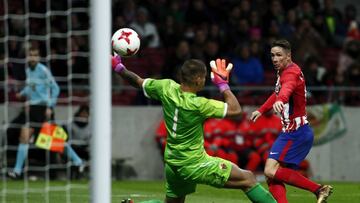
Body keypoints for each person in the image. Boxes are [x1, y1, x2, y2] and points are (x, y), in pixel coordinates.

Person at [113, 55, 276, 203]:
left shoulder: (166, 87)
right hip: (194, 163)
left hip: (172, 163)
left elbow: (138, 82)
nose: (205, 80)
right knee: (247, 179)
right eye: (204, 77)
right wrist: (223, 84)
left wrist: (120, 69)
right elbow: (236, 110)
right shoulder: (199, 105)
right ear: (198, 79)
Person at [250, 39, 333, 203]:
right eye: (272, 55)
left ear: (289, 56)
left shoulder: (291, 73)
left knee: (269, 170)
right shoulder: (283, 71)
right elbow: (277, 93)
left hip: (296, 133)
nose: (274, 59)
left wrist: (281, 100)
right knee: (272, 176)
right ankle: (317, 190)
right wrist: (261, 110)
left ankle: (318, 189)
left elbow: (286, 89)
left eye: (279, 55)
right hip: (293, 132)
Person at [7, 47, 83, 178]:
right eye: (30, 55)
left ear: (39, 57)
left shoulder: (43, 70)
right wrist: (22, 94)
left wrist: (50, 106)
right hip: (33, 109)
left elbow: (56, 88)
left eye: (35, 55)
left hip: (43, 109)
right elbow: (31, 87)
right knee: (24, 136)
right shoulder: (28, 71)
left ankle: (78, 161)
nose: (32, 58)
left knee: (55, 140)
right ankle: (17, 171)